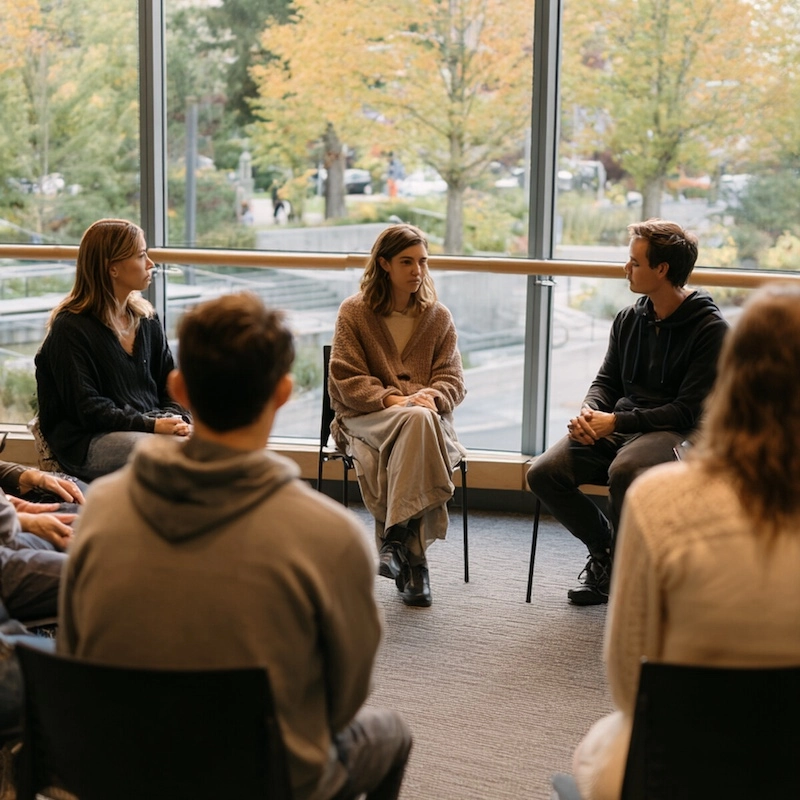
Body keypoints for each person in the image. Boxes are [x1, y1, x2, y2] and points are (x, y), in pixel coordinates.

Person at [58, 292, 412, 800]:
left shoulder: (100, 511)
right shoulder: (330, 537)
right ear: (284, 392)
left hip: (123, 771)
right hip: (265, 780)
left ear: (179, 386)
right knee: (389, 732)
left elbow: (76, 654)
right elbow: (343, 699)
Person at [563, 282, 800, 800]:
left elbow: (629, 682)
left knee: (597, 750)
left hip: (686, 761)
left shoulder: (664, 501)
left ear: (733, 378)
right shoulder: (631, 318)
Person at [526, 218, 728, 606]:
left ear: (662, 270)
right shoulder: (629, 319)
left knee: (626, 470)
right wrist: (591, 413)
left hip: (676, 432)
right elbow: (606, 381)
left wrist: (616, 422)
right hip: (621, 423)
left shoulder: (710, 329)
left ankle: (623, 566)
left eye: (634, 263)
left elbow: (686, 410)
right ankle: (606, 552)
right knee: (543, 473)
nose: (626, 269)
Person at [328, 223, 466, 608]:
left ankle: (397, 545)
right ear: (384, 264)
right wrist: (395, 401)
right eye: (406, 261)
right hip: (367, 416)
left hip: (421, 419)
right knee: (417, 425)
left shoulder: (438, 317)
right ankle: (415, 562)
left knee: (420, 424)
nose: (417, 270)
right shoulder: (354, 312)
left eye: (422, 261)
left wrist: (432, 399)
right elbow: (344, 378)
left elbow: (453, 380)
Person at [35, 219, 191, 482]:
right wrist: (151, 425)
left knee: (216, 450)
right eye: (142, 255)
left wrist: (176, 419)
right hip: (89, 441)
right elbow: (88, 410)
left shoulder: (147, 319)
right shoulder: (70, 329)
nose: (151, 263)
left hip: (145, 429)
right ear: (113, 268)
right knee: (170, 456)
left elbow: (170, 384)